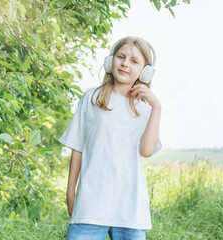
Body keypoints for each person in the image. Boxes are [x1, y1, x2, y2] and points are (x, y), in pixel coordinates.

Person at [59, 36, 162, 240]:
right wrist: (70, 194)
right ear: (110, 61)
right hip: (90, 204)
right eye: (121, 57)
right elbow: (77, 149)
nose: (125, 64)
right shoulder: (92, 99)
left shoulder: (145, 110)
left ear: (145, 71)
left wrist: (157, 107)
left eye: (134, 61)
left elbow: (146, 151)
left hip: (130, 208)